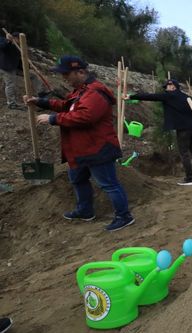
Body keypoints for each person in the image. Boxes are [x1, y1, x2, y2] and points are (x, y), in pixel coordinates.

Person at [24, 55, 134, 232]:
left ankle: (124, 216)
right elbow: (67, 106)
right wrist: (41, 102)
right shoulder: (80, 91)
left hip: (98, 148)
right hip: (80, 149)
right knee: (77, 179)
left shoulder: (96, 92)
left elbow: (86, 116)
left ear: (80, 72)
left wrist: (53, 119)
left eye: (66, 74)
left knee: (109, 184)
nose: (64, 78)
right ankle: (85, 211)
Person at [128, 79, 192, 186]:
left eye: (167, 87)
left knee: (184, 152)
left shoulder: (170, 96)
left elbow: (151, 97)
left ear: (173, 86)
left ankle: (189, 178)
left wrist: (131, 96)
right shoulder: (188, 97)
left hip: (183, 128)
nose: (165, 89)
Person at [0, 31, 23, 110]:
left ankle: (11, 101)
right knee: (10, 85)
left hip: (13, 68)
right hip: (5, 67)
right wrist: (8, 41)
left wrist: (26, 68)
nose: (21, 41)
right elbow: (2, 47)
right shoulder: (4, 41)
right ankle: (11, 104)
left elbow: (18, 59)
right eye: (19, 39)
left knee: (9, 84)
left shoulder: (18, 46)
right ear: (15, 38)